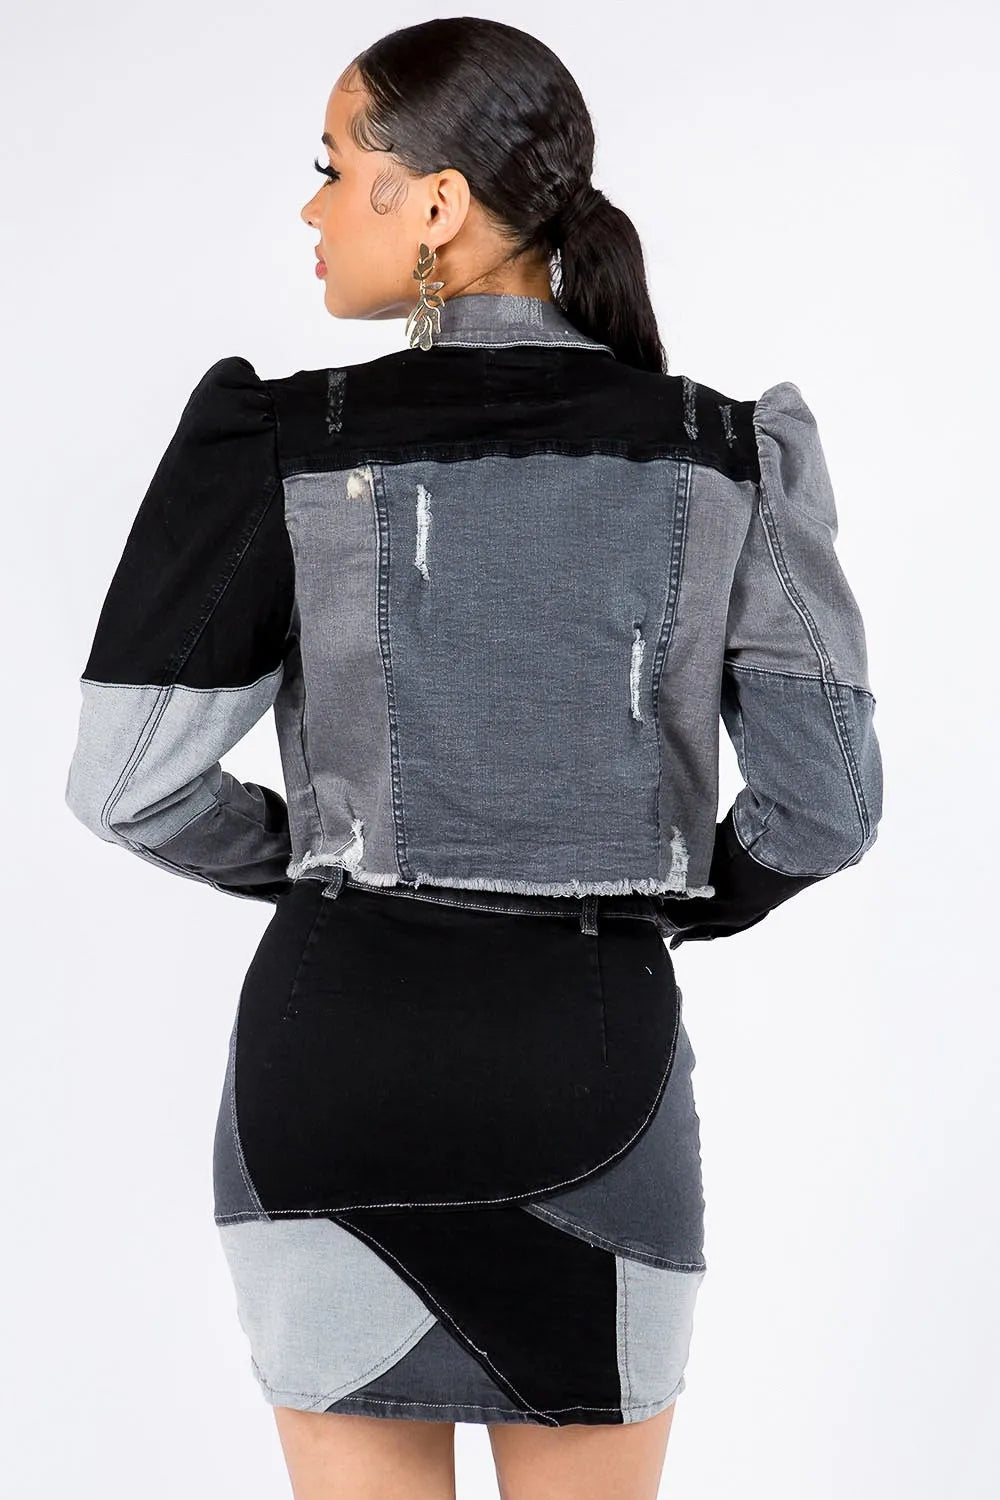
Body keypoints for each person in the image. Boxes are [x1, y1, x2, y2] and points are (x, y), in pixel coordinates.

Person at [63, 17, 884, 1500]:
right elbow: (828, 804)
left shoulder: (284, 441)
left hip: (333, 1069)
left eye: (334, 168)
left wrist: (317, 860)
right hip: (592, 1060)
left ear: (436, 203)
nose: (310, 207)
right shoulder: (723, 454)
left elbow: (127, 785)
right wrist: (686, 891)